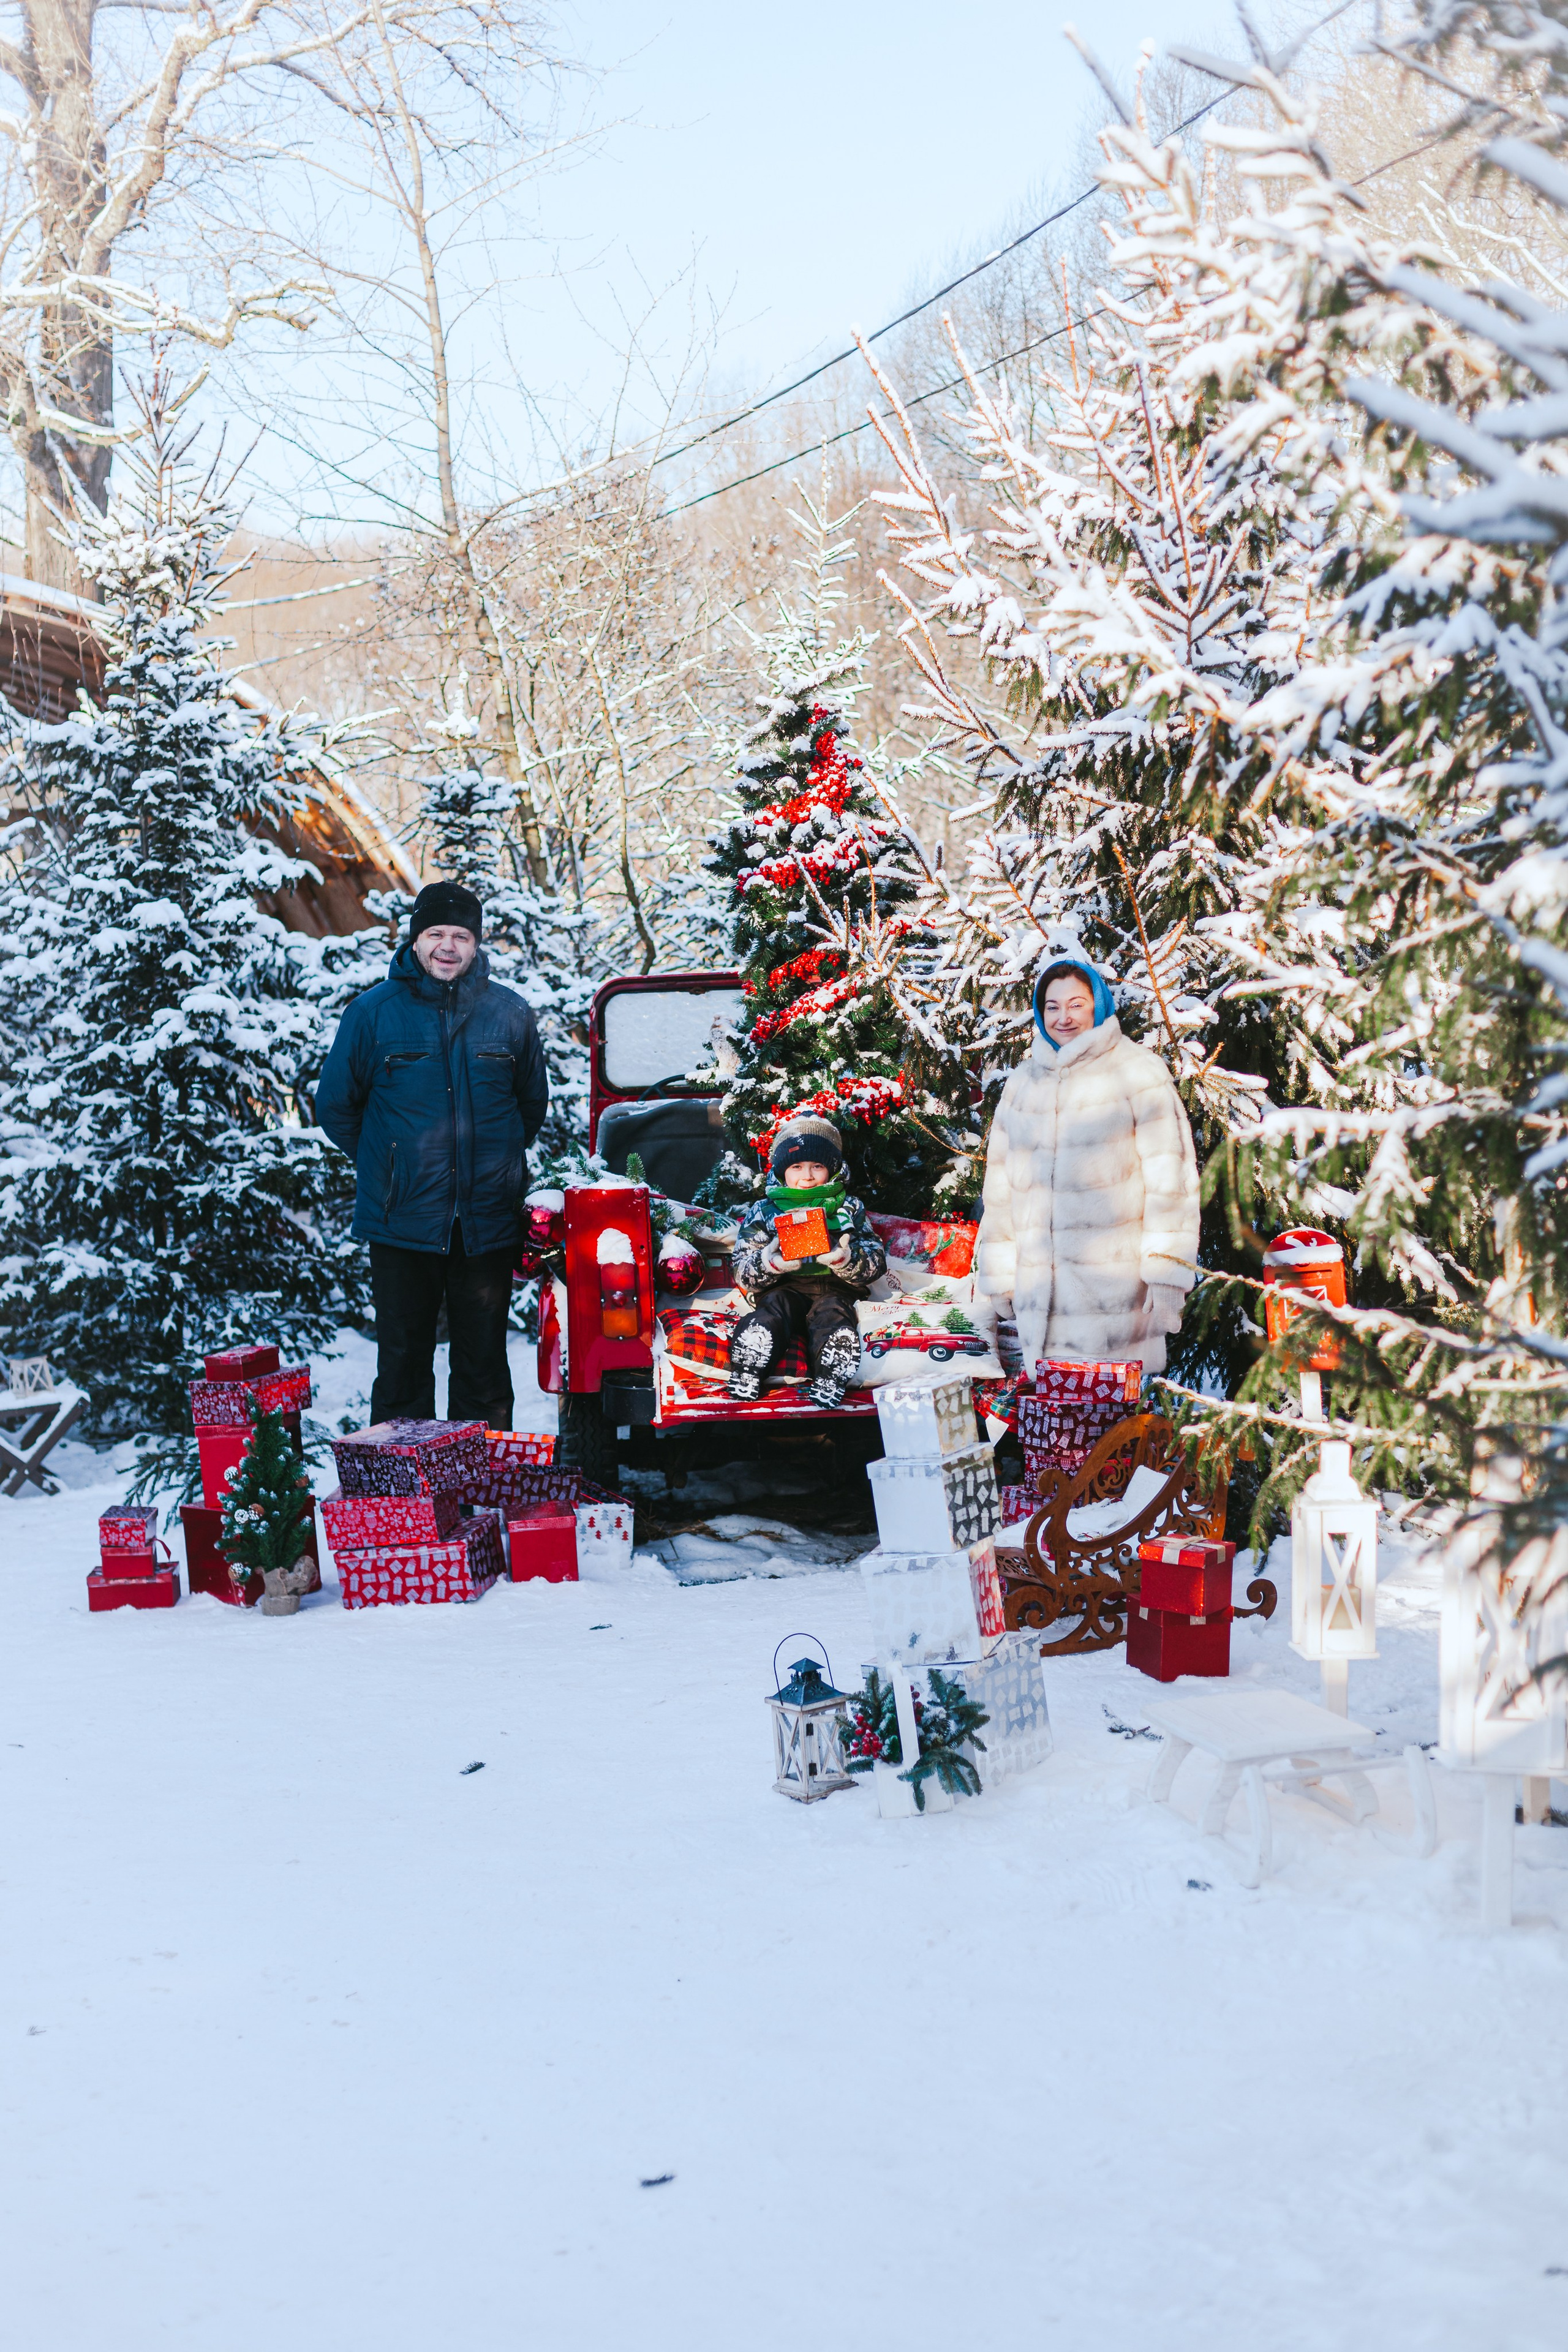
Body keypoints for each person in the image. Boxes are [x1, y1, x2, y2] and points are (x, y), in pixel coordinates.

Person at [315, 881, 548, 1430]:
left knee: (484, 1369)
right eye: (436, 934)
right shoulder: (372, 1014)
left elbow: (529, 1108)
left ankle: (480, 1495)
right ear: (416, 941)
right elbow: (335, 1106)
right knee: (402, 1368)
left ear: (476, 943)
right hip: (401, 1221)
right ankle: (406, 1504)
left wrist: (492, 1167)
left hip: (485, 1221)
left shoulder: (510, 1015)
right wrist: (390, 1164)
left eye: (461, 935)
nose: (449, 946)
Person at [974, 952, 1199, 1376]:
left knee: (1113, 1434)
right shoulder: (1023, 1083)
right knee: (1058, 1432)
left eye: (1076, 1004)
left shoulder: (1138, 1072)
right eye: (1052, 1006)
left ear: (1098, 1004)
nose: (1064, 1017)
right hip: (1041, 1300)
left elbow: (1172, 1182)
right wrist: (1000, 1273)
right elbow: (1001, 1191)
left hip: (1114, 1299)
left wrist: (1169, 1273)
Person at [728, 1114, 886, 1409]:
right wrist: (769, 1263)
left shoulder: (848, 1207)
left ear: (833, 1170)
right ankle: (750, 1364)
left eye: (818, 1166)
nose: (808, 1176)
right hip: (784, 1287)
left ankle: (831, 1373)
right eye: (796, 1166)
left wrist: (846, 1260)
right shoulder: (766, 1211)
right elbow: (741, 1271)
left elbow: (876, 1260)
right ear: (781, 1171)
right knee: (773, 1311)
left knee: (834, 1314)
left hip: (835, 1288)